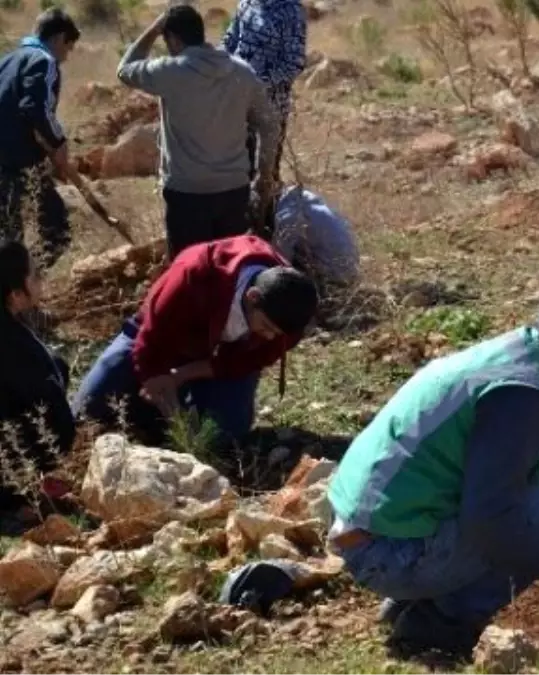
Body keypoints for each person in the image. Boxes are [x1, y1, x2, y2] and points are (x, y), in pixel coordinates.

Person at [327, 287, 539, 661]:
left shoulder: (521, 360)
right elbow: (489, 520)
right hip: (385, 553)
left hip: (372, 532)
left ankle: (416, 599)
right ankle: (438, 623)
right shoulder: (521, 399)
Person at [72, 234, 318, 449]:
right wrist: (156, 382)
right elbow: (150, 340)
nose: (269, 337)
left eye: (276, 334)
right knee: (88, 411)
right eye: (265, 327)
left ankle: (169, 417)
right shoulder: (195, 272)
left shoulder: (289, 316)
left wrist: (181, 376)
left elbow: (243, 362)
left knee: (222, 436)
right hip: (166, 337)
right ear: (252, 297)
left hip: (220, 356)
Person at [116, 6, 281, 260]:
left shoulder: (169, 71)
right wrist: (264, 174)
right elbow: (269, 124)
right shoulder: (241, 72)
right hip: (233, 191)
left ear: (173, 39)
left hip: (186, 195)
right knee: (230, 272)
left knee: (189, 276)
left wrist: (153, 30)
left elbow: (125, 69)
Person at [0, 9, 80, 269]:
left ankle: (19, 290)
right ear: (58, 39)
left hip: (9, 160)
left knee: (9, 235)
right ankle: (32, 286)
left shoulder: (7, 60)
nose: (66, 57)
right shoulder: (43, 60)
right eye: (68, 48)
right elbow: (35, 107)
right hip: (16, 160)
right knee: (56, 229)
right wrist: (59, 143)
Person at [0, 239, 75, 510]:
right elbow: (56, 417)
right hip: (8, 462)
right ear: (15, 294)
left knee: (57, 365)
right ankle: (18, 493)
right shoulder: (14, 345)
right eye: (34, 275)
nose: (40, 280)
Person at [222, 0, 307, 185]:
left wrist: (255, 84)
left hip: (268, 111)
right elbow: (229, 43)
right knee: (234, 175)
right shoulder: (246, 4)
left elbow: (293, 64)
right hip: (236, 105)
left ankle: (266, 213)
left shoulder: (290, 10)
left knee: (264, 180)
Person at [271, 185, 360, 290]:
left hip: (335, 277)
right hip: (350, 269)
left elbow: (280, 261)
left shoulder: (288, 213)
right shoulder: (303, 197)